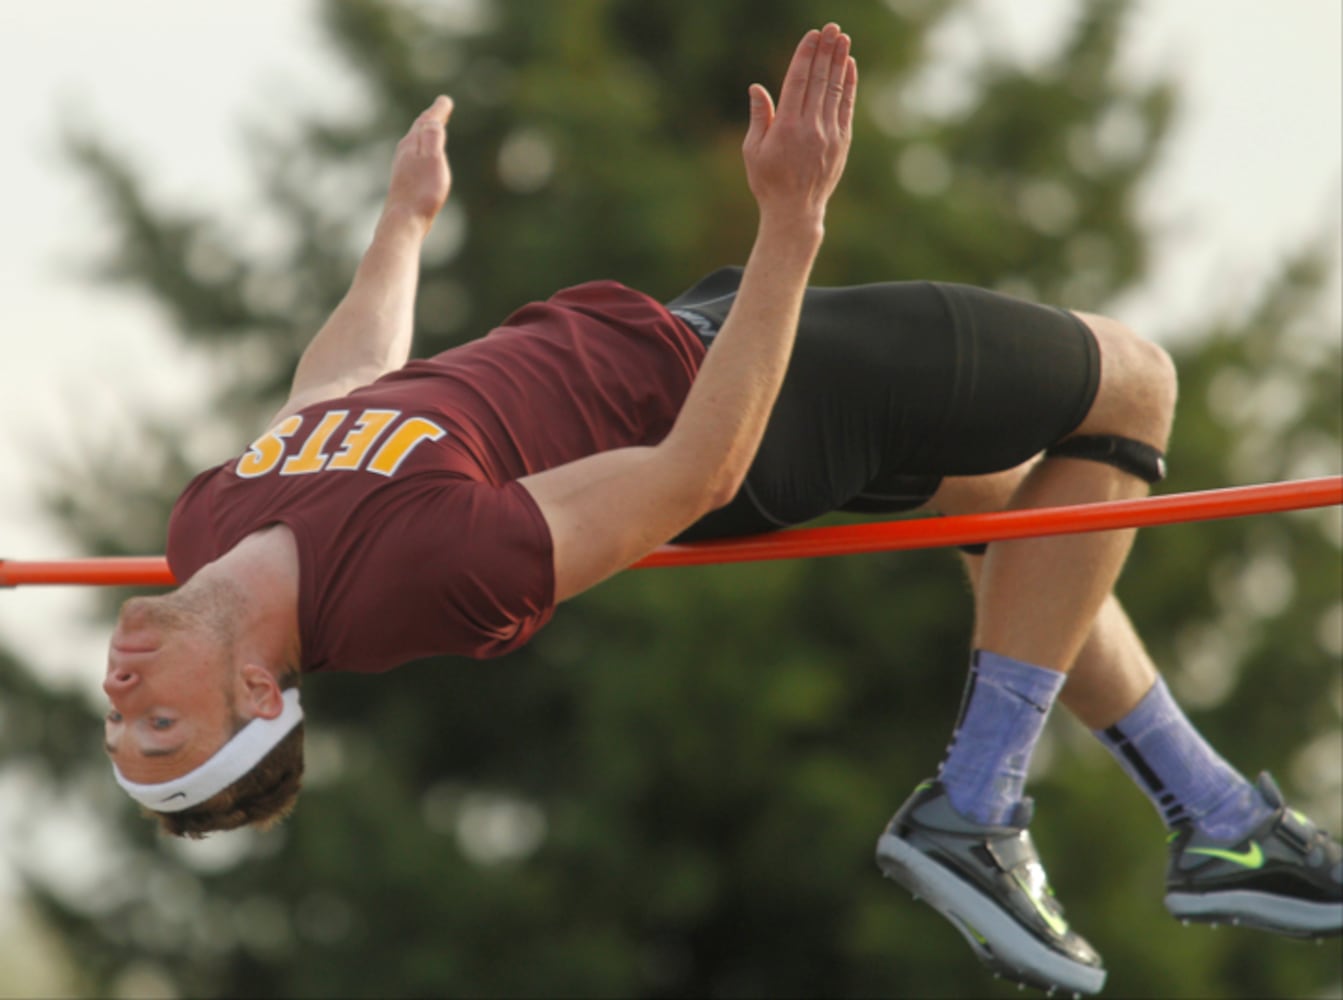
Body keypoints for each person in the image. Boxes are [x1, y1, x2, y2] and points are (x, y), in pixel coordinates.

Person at [102, 23, 1340, 995]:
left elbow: (341, 388)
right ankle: (977, 805)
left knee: (1012, 510)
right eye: (160, 725)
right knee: (1130, 385)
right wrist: (790, 221)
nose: (120, 693)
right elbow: (692, 473)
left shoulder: (205, 527)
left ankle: (1219, 820)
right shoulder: (422, 578)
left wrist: (403, 225)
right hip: (749, 398)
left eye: (124, 724)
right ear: (259, 697)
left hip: (673, 334)